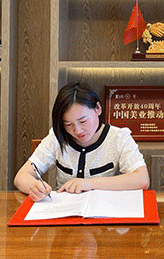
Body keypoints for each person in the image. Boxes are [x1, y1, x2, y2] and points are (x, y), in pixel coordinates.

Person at [14, 81, 150, 202]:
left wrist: (90, 184)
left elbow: (142, 179)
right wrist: (34, 186)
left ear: (98, 109)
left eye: (83, 121)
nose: (77, 130)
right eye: (68, 124)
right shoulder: (56, 138)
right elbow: (21, 176)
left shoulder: (119, 138)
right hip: (64, 211)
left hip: (105, 211)